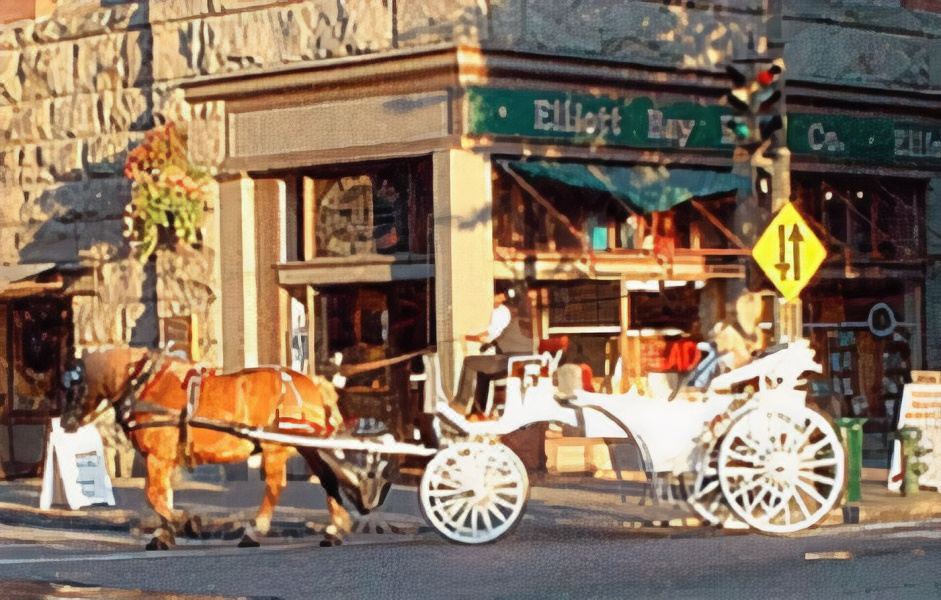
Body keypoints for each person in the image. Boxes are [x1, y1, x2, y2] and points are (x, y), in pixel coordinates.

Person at [454, 284, 534, 415]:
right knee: (482, 372)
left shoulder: (513, 320)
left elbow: (498, 342)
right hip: (512, 364)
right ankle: (477, 410)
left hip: (506, 363)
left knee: (469, 362)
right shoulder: (523, 323)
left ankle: (462, 403)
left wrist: (486, 344)